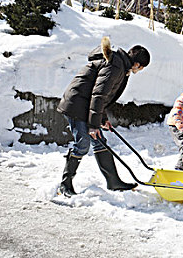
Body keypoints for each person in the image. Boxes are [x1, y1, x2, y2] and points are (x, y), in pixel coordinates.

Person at [57, 36, 150, 197]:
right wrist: (93, 125)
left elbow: (102, 96)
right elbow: (98, 96)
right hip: (76, 105)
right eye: (141, 68)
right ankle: (64, 185)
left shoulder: (119, 65)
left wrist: (103, 119)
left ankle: (113, 182)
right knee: (83, 143)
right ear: (137, 64)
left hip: (84, 104)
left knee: (99, 141)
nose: (138, 71)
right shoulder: (116, 66)